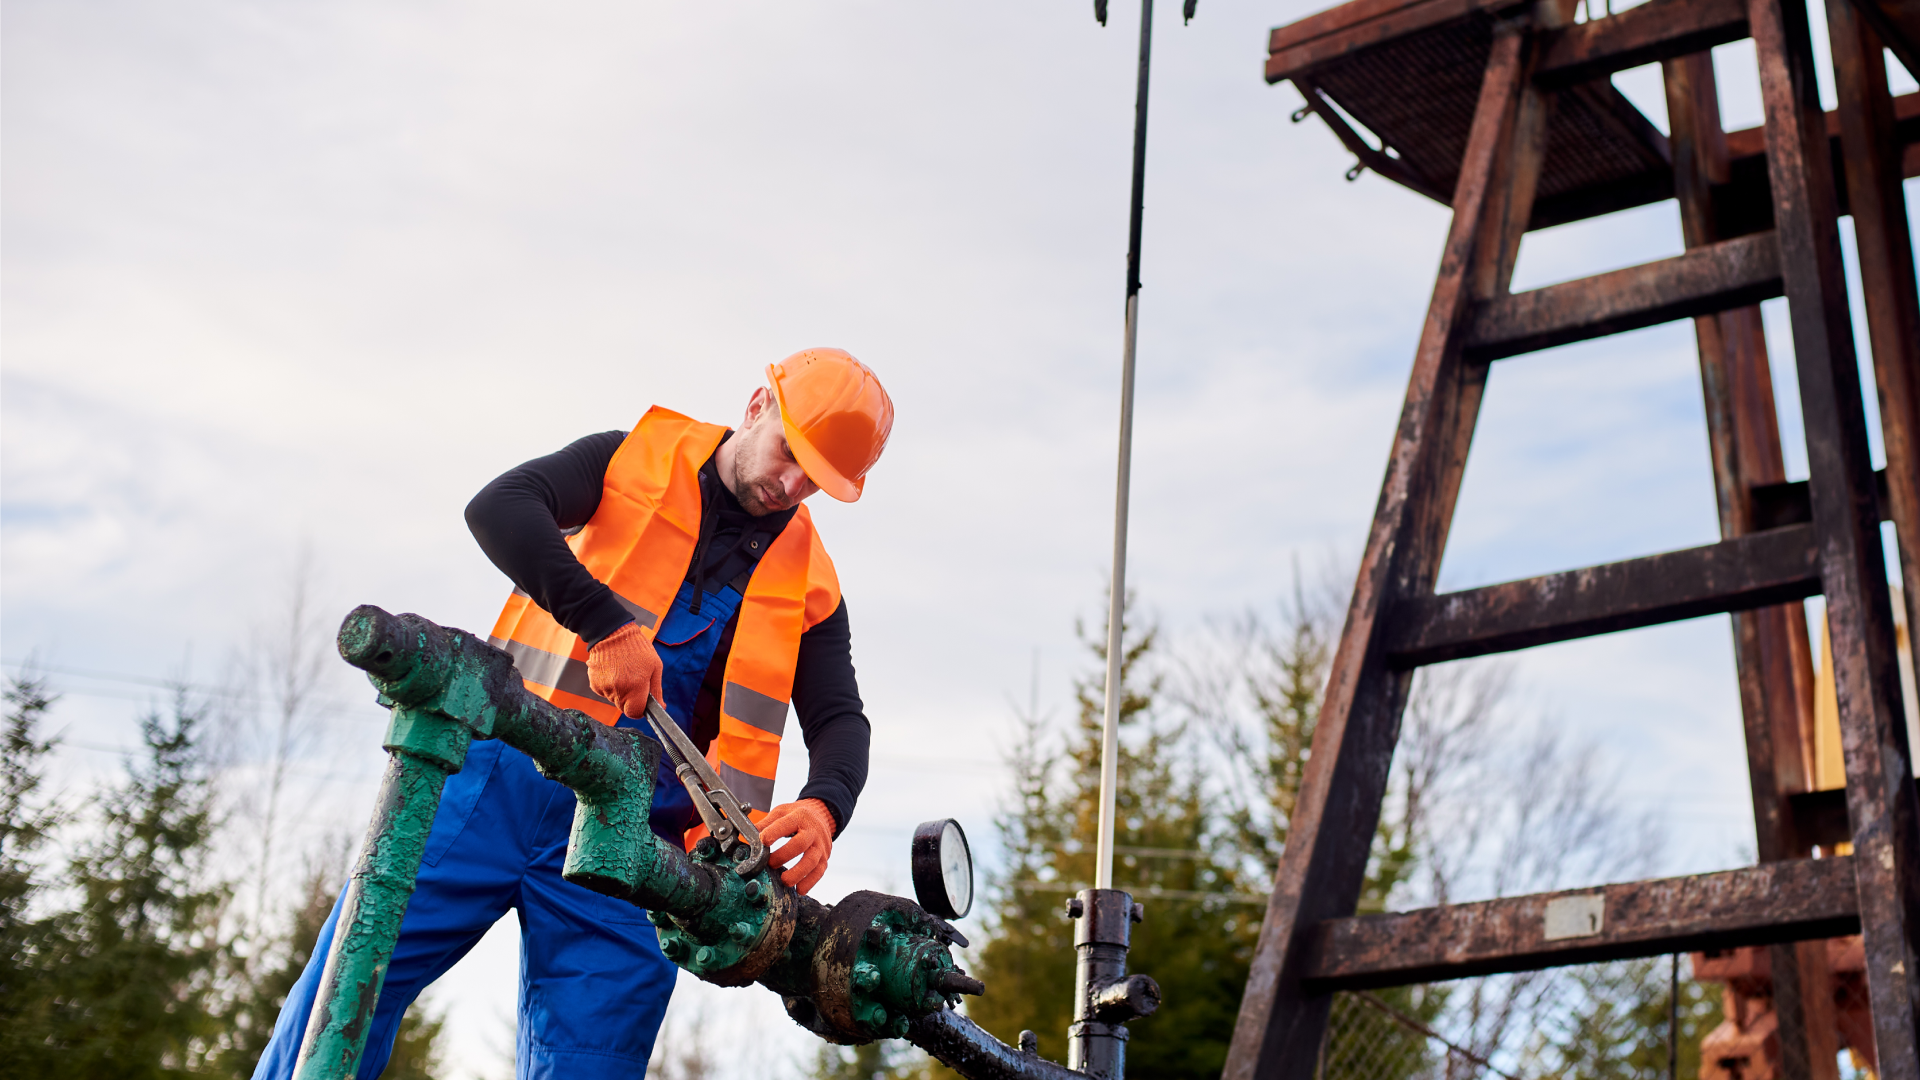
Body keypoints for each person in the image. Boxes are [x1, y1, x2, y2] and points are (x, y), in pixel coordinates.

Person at [253, 348, 892, 1079]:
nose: (790, 482)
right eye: (790, 453)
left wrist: (824, 806)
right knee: (345, 993)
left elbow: (841, 717)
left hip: (637, 855)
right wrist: (605, 624)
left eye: (815, 479)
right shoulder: (630, 459)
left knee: (592, 1064)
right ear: (756, 406)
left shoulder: (812, 583)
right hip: (499, 781)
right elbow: (498, 507)